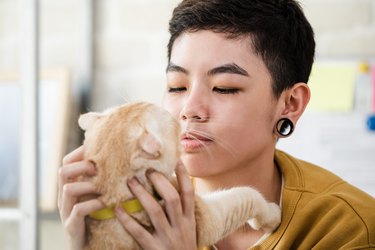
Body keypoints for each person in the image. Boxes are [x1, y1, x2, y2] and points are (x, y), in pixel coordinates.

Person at [58, 0, 375, 249]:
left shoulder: (349, 228)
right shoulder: (140, 205)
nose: (189, 110)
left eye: (224, 88)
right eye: (177, 86)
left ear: (290, 104)